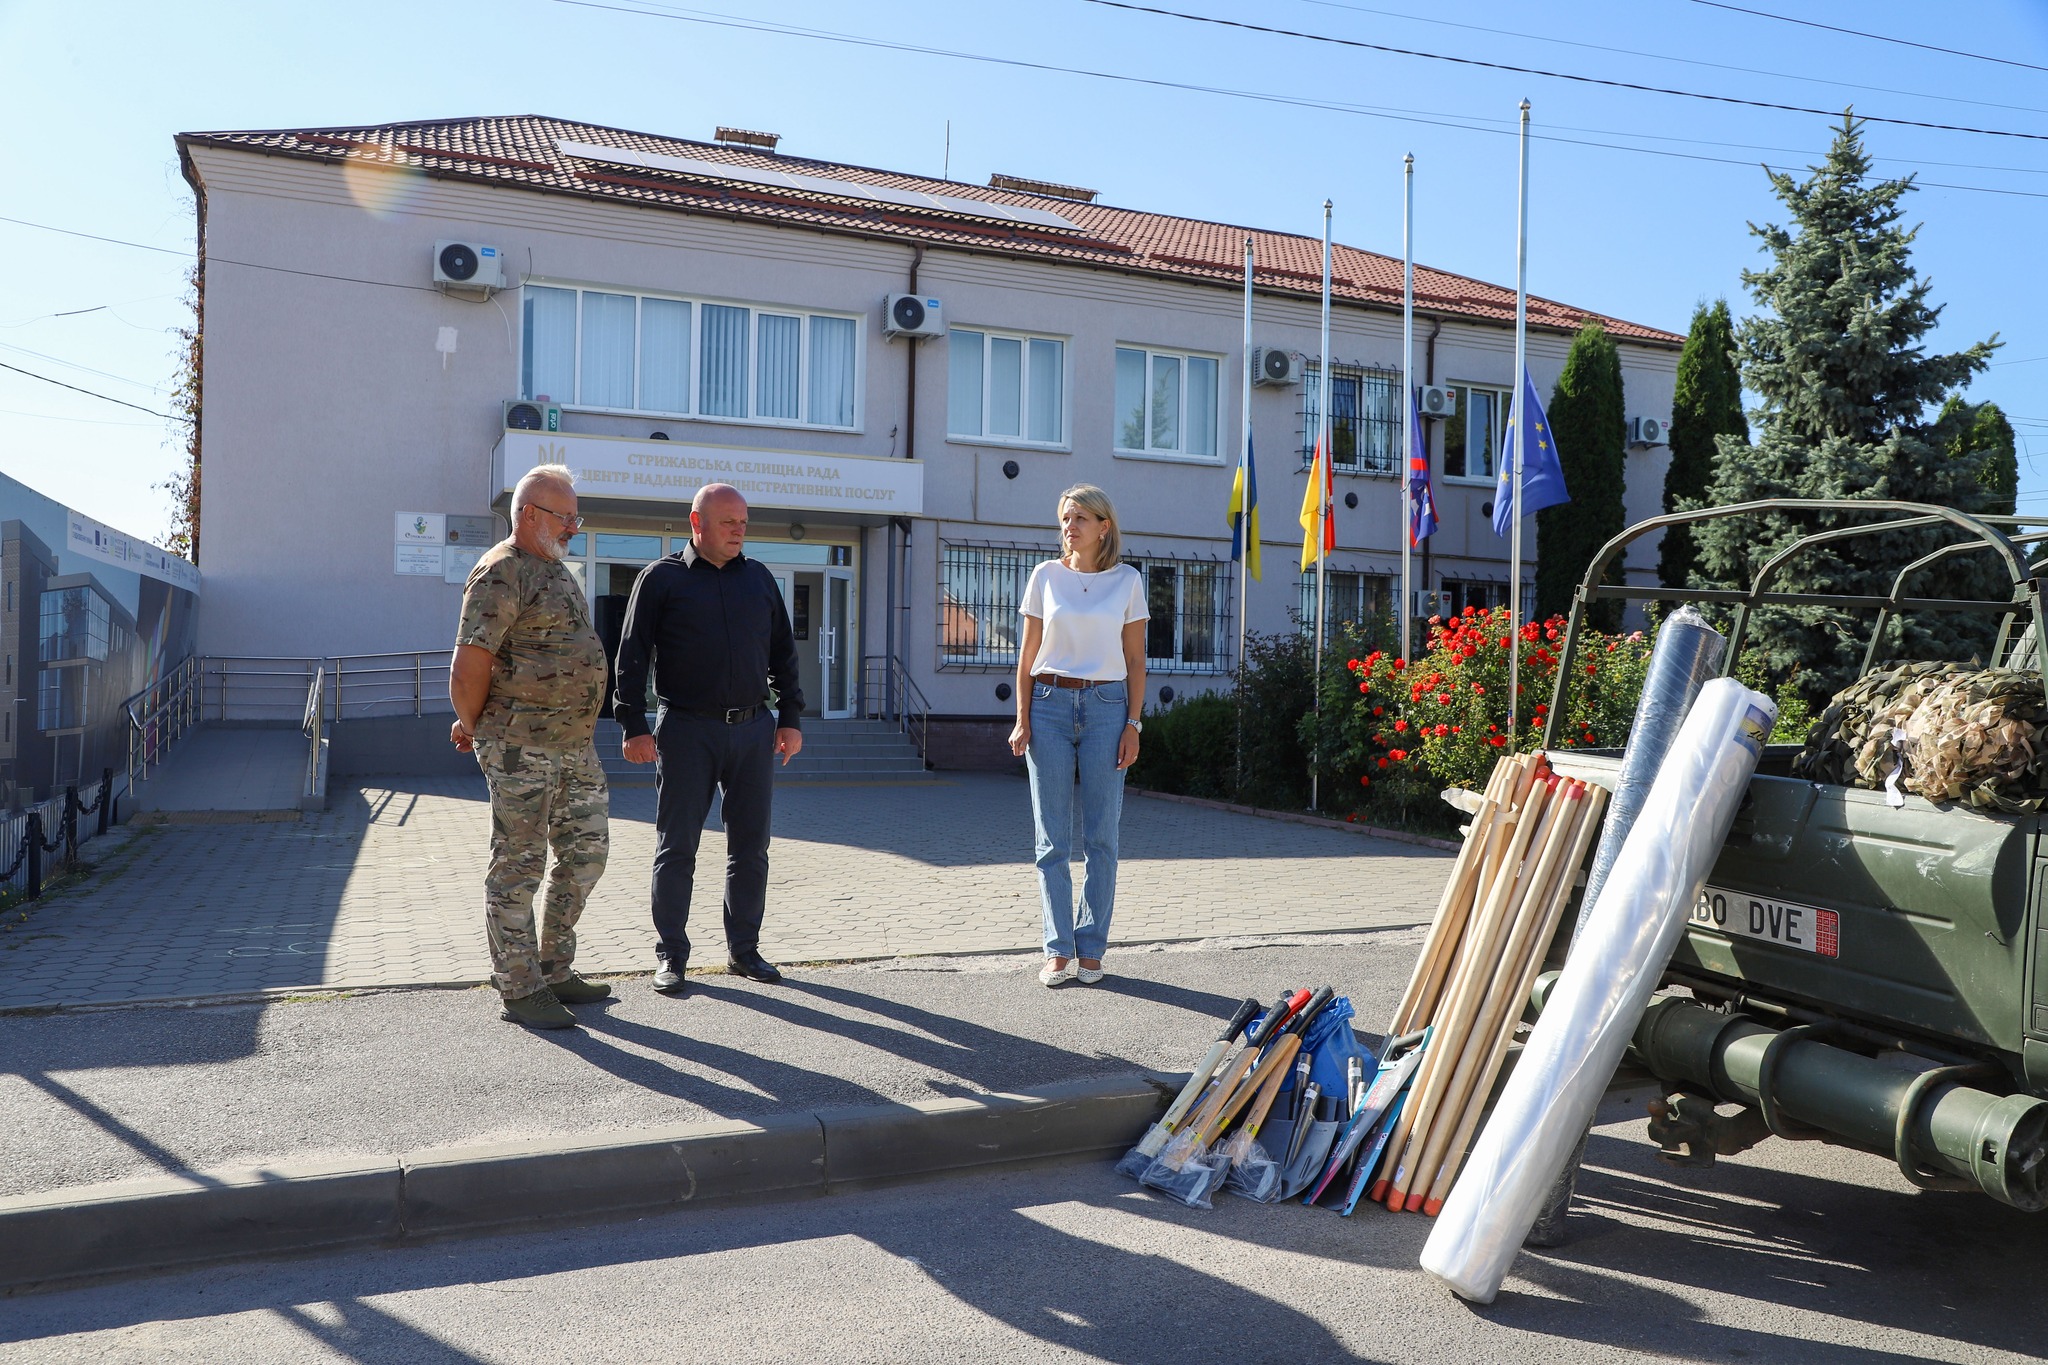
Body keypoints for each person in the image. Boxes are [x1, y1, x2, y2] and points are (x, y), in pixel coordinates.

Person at [615, 482, 804, 994]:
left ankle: (744, 950)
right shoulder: (660, 579)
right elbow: (632, 655)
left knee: (751, 848)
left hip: (753, 731)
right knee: (677, 847)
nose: (739, 530)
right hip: (686, 731)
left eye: (743, 522)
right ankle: (671, 955)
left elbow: (783, 653)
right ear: (696, 523)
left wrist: (790, 717)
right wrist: (633, 724)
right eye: (728, 522)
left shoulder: (759, 578)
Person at [449, 463, 612, 1030]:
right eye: (564, 517)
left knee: (587, 854)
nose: (573, 528)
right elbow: (470, 665)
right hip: (521, 747)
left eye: (576, 517)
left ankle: (554, 967)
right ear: (527, 513)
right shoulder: (502, 570)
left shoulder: (556, 570)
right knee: (519, 865)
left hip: (575, 746)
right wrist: (474, 725)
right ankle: (519, 987)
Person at [1008, 484, 1147, 987]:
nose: (1070, 526)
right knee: (1051, 839)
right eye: (1066, 518)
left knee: (1101, 837)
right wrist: (1022, 717)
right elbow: (1027, 656)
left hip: (1108, 709)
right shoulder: (1045, 576)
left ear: (1103, 527)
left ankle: (1091, 950)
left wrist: (1134, 723)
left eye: (1081, 518)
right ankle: (1057, 949)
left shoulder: (1127, 580)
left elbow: (1135, 659)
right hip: (1047, 705)